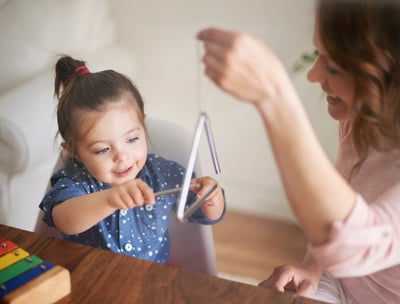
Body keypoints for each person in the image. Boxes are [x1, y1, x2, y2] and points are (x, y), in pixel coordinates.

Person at [197, 0, 400, 303]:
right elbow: (338, 212)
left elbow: (357, 245)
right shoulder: (361, 120)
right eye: (319, 54)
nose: (313, 75)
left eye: (332, 65)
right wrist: (313, 268)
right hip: (345, 285)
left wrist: (274, 96)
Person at [39, 55, 225, 264]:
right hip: (88, 280)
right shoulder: (75, 180)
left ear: (144, 127)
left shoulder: (163, 174)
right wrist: (110, 199)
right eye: (102, 149)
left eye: (132, 139)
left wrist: (211, 197)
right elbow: (65, 220)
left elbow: (206, 214)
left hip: (148, 281)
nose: (122, 156)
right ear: (74, 151)